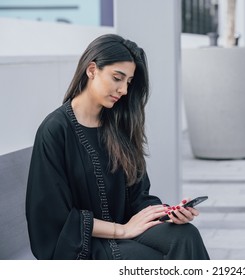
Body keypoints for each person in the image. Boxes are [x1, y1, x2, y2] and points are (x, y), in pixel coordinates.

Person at [25, 34, 210, 260]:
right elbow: (53, 216)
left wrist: (167, 215)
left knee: (185, 235)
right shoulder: (55, 130)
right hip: (77, 245)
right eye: (117, 78)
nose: (123, 89)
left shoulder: (118, 124)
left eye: (128, 82)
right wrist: (121, 230)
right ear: (92, 70)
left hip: (127, 231)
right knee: (152, 260)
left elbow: (138, 195)